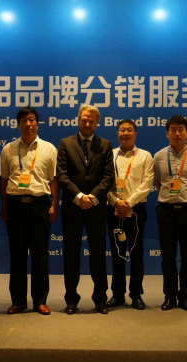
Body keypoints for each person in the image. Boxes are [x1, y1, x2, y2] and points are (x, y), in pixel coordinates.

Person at [57, 105, 115, 314]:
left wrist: (92, 197)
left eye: (91, 120)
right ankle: (71, 299)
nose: (87, 123)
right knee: (71, 254)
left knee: (98, 254)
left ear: (97, 122)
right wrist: (79, 196)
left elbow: (109, 176)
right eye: (84, 119)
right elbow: (61, 175)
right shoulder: (65, 143)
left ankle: (100, 298)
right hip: (72, 207)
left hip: (96, 208)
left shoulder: (105, 145)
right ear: (78, 120)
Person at [0, 107, 58, 316]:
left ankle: (40, 301)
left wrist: (54, 205)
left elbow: (54, 180)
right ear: (18, 124)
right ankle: (18, 301)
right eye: (24, 120)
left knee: (40, 255)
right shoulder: (8, 149)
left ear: (37, 123)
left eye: (32, 119)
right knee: (17, 255)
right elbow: (3, 180)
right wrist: (5, 207)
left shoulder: (49, 149)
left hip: (39, 205)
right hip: (15, 205)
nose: (28, 123)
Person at [154, 115, 187, 312]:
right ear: (167, 133)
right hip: (166, 210)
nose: (177, 133)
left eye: (181, 129)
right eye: (173, 130)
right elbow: (158, 183)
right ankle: (169, 295)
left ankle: (184, 296)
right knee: (168, 257)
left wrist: (186, 197)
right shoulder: (159, 156)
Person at [106, 119, 154, 310]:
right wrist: (115, 202)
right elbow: (104, 183)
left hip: (136, 211)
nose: (125, 133)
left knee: (136, 253)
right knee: (117, 253)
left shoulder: (145, 156)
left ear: (135, 134)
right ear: (117, 133)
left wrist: (129, 203)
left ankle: (136, 294)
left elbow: (147, 183)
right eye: (122, 130)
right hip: (114, 210)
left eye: (129, 130)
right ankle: (117, 294)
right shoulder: (109, 155)